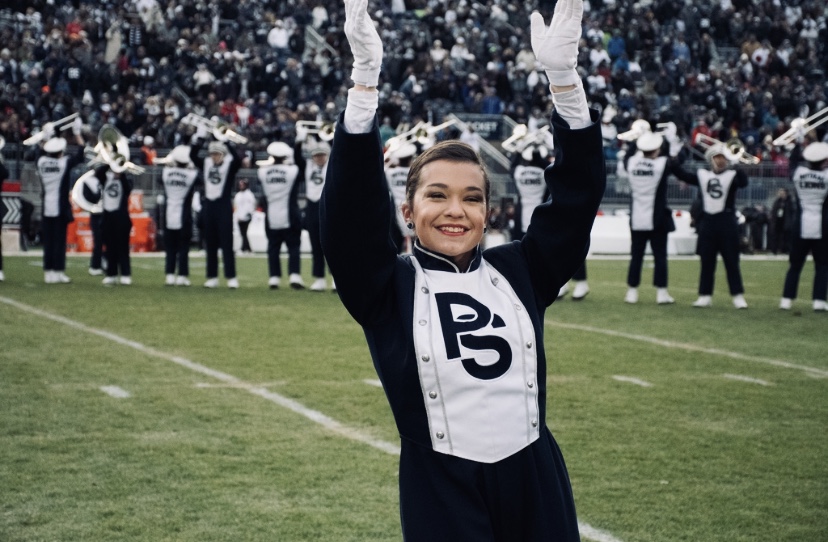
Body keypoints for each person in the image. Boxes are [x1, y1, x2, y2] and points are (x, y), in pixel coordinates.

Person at [321, 1, 605, 540]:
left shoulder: (520, 269)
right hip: (440, 485)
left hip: (535, 475)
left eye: (472, 198)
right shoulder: (386, 288)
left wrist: (565, 83)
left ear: (487, 211)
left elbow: (575, 198)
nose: (456, 210)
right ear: (408, 212)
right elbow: (348, 222)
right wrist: (364, 85)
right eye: (437, 195)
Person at [674, 143, 750, 308]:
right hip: (707, 222)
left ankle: (737, 295)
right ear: (710, 159)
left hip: (727, 221)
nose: (720, 161)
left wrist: (736, 162)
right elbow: (683, 175)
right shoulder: (702, 175)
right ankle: (705, 295)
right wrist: (674, 154)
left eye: (723, 157)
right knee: (706, 262)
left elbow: (743, 182)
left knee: (732, 261)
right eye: (717, 157)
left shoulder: (732, 174)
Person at [622, 131, 680, 304]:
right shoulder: (662, 164)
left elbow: (627, 155)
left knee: (636, 256)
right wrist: (671, 140)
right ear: (657, 149)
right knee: (660, 256)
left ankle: (632, 291)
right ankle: (661, 293)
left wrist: (637, 137)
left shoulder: (631, 163)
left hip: (637, 218)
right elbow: (678, 162)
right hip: (658, 219)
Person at [779, 141, 828, 311]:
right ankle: (819, 301)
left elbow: (791, 164)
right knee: (822, 265)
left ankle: (786, 299)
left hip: (800, 226)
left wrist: (798, 145)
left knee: (795, 264)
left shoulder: (799, 173)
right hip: (822, 227)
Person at [190, 138, 242, 289]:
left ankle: (231, 277)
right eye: (212, 154)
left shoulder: (228, 165)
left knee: (227, 242)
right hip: (209, 205)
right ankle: (212, 276)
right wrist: (199, 138)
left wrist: (227, 142)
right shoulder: (206, 164)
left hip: (223, 204)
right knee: (210, 242)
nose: (214, 157)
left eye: (217, 154)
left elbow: (238, 160)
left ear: (223, 155)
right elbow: (193, 156)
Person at [36, 133, 85, 284]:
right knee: (59, 241)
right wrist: (77, 135)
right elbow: (80, 156)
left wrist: (46, 137)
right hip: (60, 207)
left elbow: (38, 152)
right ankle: (58, 271)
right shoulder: (63, 163)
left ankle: (48, 272)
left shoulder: (41, 162)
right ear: (60, 151)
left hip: (46, 208)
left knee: (48, 242)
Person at [257, 141, 304, 289]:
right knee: (294, 247)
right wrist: (298, 145)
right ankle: (294, 275)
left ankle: (274, 278)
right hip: (290, 215)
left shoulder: (262, 172)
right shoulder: (292, 171)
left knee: (273, 248)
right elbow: (301, 166)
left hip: (271, 216)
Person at [295, 132, 332, 291]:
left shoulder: (332, 166)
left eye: (322, 155)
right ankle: (319, 278)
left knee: (332, 246)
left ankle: (335, 278)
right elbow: (297, 159)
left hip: (329, 207)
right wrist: (298, 142)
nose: (319, 158)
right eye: (316, 155)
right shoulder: (308, 167)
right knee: (315, 245)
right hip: (312, 208)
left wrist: (329, 138)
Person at [159, 145, 199, 286]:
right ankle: (182, 275)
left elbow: (160, 179)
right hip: (184, 216)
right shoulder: (191, 175)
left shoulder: (166, 173)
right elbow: (198, 178)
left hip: (168, 214)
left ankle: (169, 275)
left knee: (170, 247)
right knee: (183, 248)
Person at [385, 142, 417, 254]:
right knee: (414, 240)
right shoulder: (415, 173)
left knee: (397, 241)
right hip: (412, 208)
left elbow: (383, 167)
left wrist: (390, 160)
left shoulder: (389, 172)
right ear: (410, 159)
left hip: (396, 210)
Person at [233, 179, 256, 254]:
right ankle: (247, 248)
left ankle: (244, 248)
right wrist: (237, 216)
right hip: (239, 217)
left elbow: (251, 206)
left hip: (246, 217)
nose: (241, 186)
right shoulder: (238, 195)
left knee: (244, 233)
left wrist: (247, 215)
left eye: (243, 185)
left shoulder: (249, 195)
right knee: (243, 233)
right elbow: (236, 207)